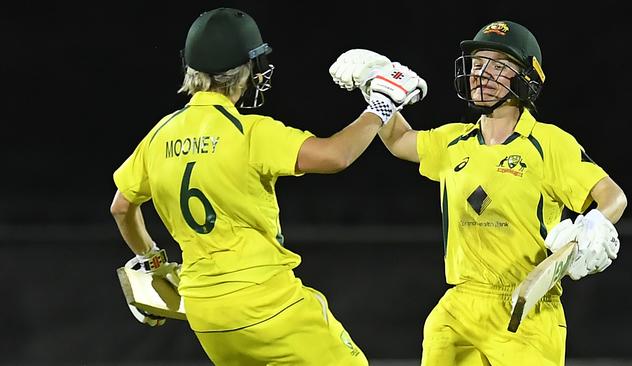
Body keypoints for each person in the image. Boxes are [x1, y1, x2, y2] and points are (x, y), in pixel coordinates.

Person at [109, 7, 426, 365]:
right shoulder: (249, 132)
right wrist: (380, 107)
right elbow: (335, 155)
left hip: (206, 315)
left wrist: (150, 262)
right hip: (268, 304)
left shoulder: (159, 134)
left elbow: (121, 207)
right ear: (246, 70)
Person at [329, 20, 627, 365]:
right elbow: (398, 141)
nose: (482, 73)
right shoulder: (454, 141)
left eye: (498, 65)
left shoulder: (550, 144)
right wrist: (376, 86)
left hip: (526, 313)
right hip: (457, 310)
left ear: (526, 79)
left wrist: (596, 223)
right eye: (477, 63)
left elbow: (613, 196)